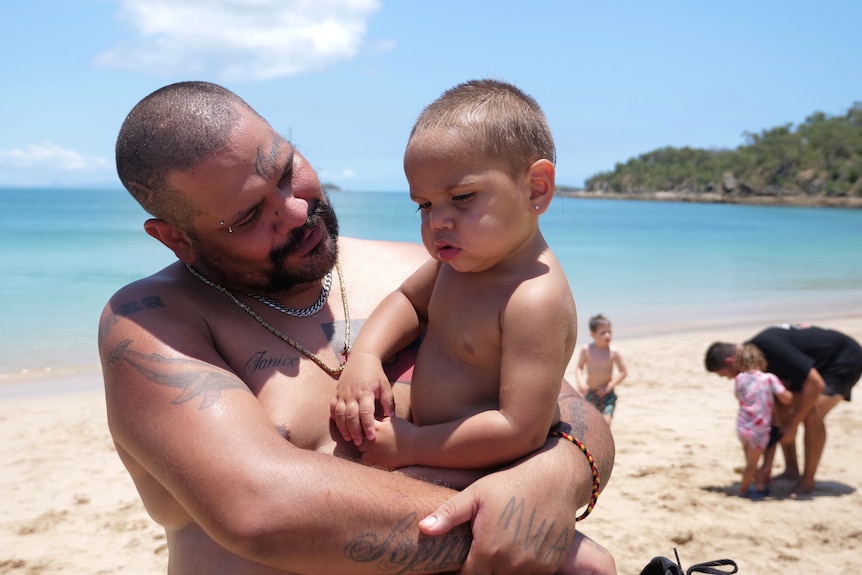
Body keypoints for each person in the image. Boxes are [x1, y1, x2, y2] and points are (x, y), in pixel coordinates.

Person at [99, 80, 617, 575]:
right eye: (249, 216)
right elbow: (261, 508)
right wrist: (515, 530)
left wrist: (555, 476)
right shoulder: (152, 324)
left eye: (285, 171)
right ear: (176, 238)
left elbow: (571, 414)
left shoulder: (442, 265)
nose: (298, 211)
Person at [331, 79, 575, 492]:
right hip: (432, 444)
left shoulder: (532, 297)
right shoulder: (456, 264)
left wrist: (414, 445)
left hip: (487, 469)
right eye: (424, 205)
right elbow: (407, 301)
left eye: (462, 197)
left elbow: (520, 429)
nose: (437, 221)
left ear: (536, 188)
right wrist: (367, 356)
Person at [705, 323, 862, 497]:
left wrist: (792, 425)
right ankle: (792, 470)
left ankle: (807, 480)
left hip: (843, 358)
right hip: (815, 365)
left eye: (726, 375)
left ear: (730, 361)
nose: (730, 379)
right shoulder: (754, 357)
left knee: (812, 414)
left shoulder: (768, 345)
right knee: (779, 407)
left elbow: (815, 384)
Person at [727, 344, 793, 499]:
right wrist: (787, 390)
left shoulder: (739, 379)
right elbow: (786, 399)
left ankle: (760, 485)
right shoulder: (769, 378)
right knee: (752, 464)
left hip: (742, 426)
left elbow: (738, 397)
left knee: (749, 459)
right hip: (759, 429)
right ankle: (743, 491)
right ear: (761, 361)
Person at [575, 314, 628, 427]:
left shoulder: (613, 352)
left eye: (609, 331)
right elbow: (579, 368)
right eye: (603, 333)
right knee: (590, 424)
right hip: (591, 393)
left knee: (605, 424)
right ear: (592, 334)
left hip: (607, 395)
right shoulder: (587, 350)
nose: (607, 335)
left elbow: (623, 372)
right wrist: (581, 384)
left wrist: (608, 386)